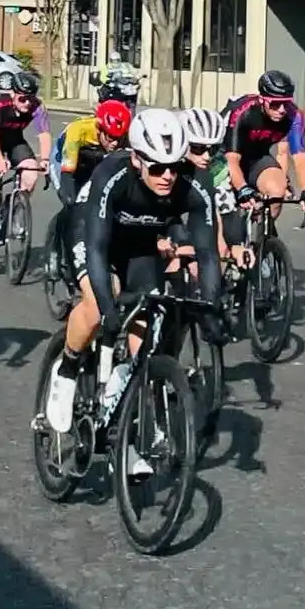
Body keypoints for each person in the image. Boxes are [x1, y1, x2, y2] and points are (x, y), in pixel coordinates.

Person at [43, 108, 221, 439]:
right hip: (90, 232)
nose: (167, 175)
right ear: (137, 159)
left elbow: (208, 252)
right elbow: (96, 248)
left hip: (139, 247)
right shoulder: (113, 173)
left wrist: (211, 306)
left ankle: (131, 422)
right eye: (156, 167)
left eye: (174, 166)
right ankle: (66, 370)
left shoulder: (194, 183)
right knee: (99, 304)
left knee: (148, 334)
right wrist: (110, 311)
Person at [45, 99, 133, 291]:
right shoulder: (79, 131)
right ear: (99, 128)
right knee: (72, 204)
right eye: (110, 137)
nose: (115, 143)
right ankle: (60, 251)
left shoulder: (124, 139)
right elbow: (68, 172)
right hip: (65, 161)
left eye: (119, 138)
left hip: (95, 164)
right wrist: (72, 199)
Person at [224, 69, 305, 226]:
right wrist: (243, 189)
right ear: (261, 100)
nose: (281, 110)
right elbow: (232, 161)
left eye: (286, 103)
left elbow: (300, 156)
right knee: (228, 211)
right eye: (275, 104)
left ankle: (263, 238)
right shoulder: (243, 112)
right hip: (224, 155)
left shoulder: (294, 116)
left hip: (256, 156)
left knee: (277, 191)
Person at [0, 69, 50, 253]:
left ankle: (17, 210)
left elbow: (44, 134)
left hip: (14, 140)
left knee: (31, 173)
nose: (27, 103)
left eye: (30, 99)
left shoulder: (37, 106)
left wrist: (46, 159)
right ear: (13, 94)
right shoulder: (0, 104)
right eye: (22, 99)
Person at [180, 106, 247, 268]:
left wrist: (236, 243)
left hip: (207, 211)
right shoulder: (167, 167)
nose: (207, 157)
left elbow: (227, 210)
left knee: (220, 245)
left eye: (213, 149)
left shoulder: (218, 168)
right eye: (198, 148)